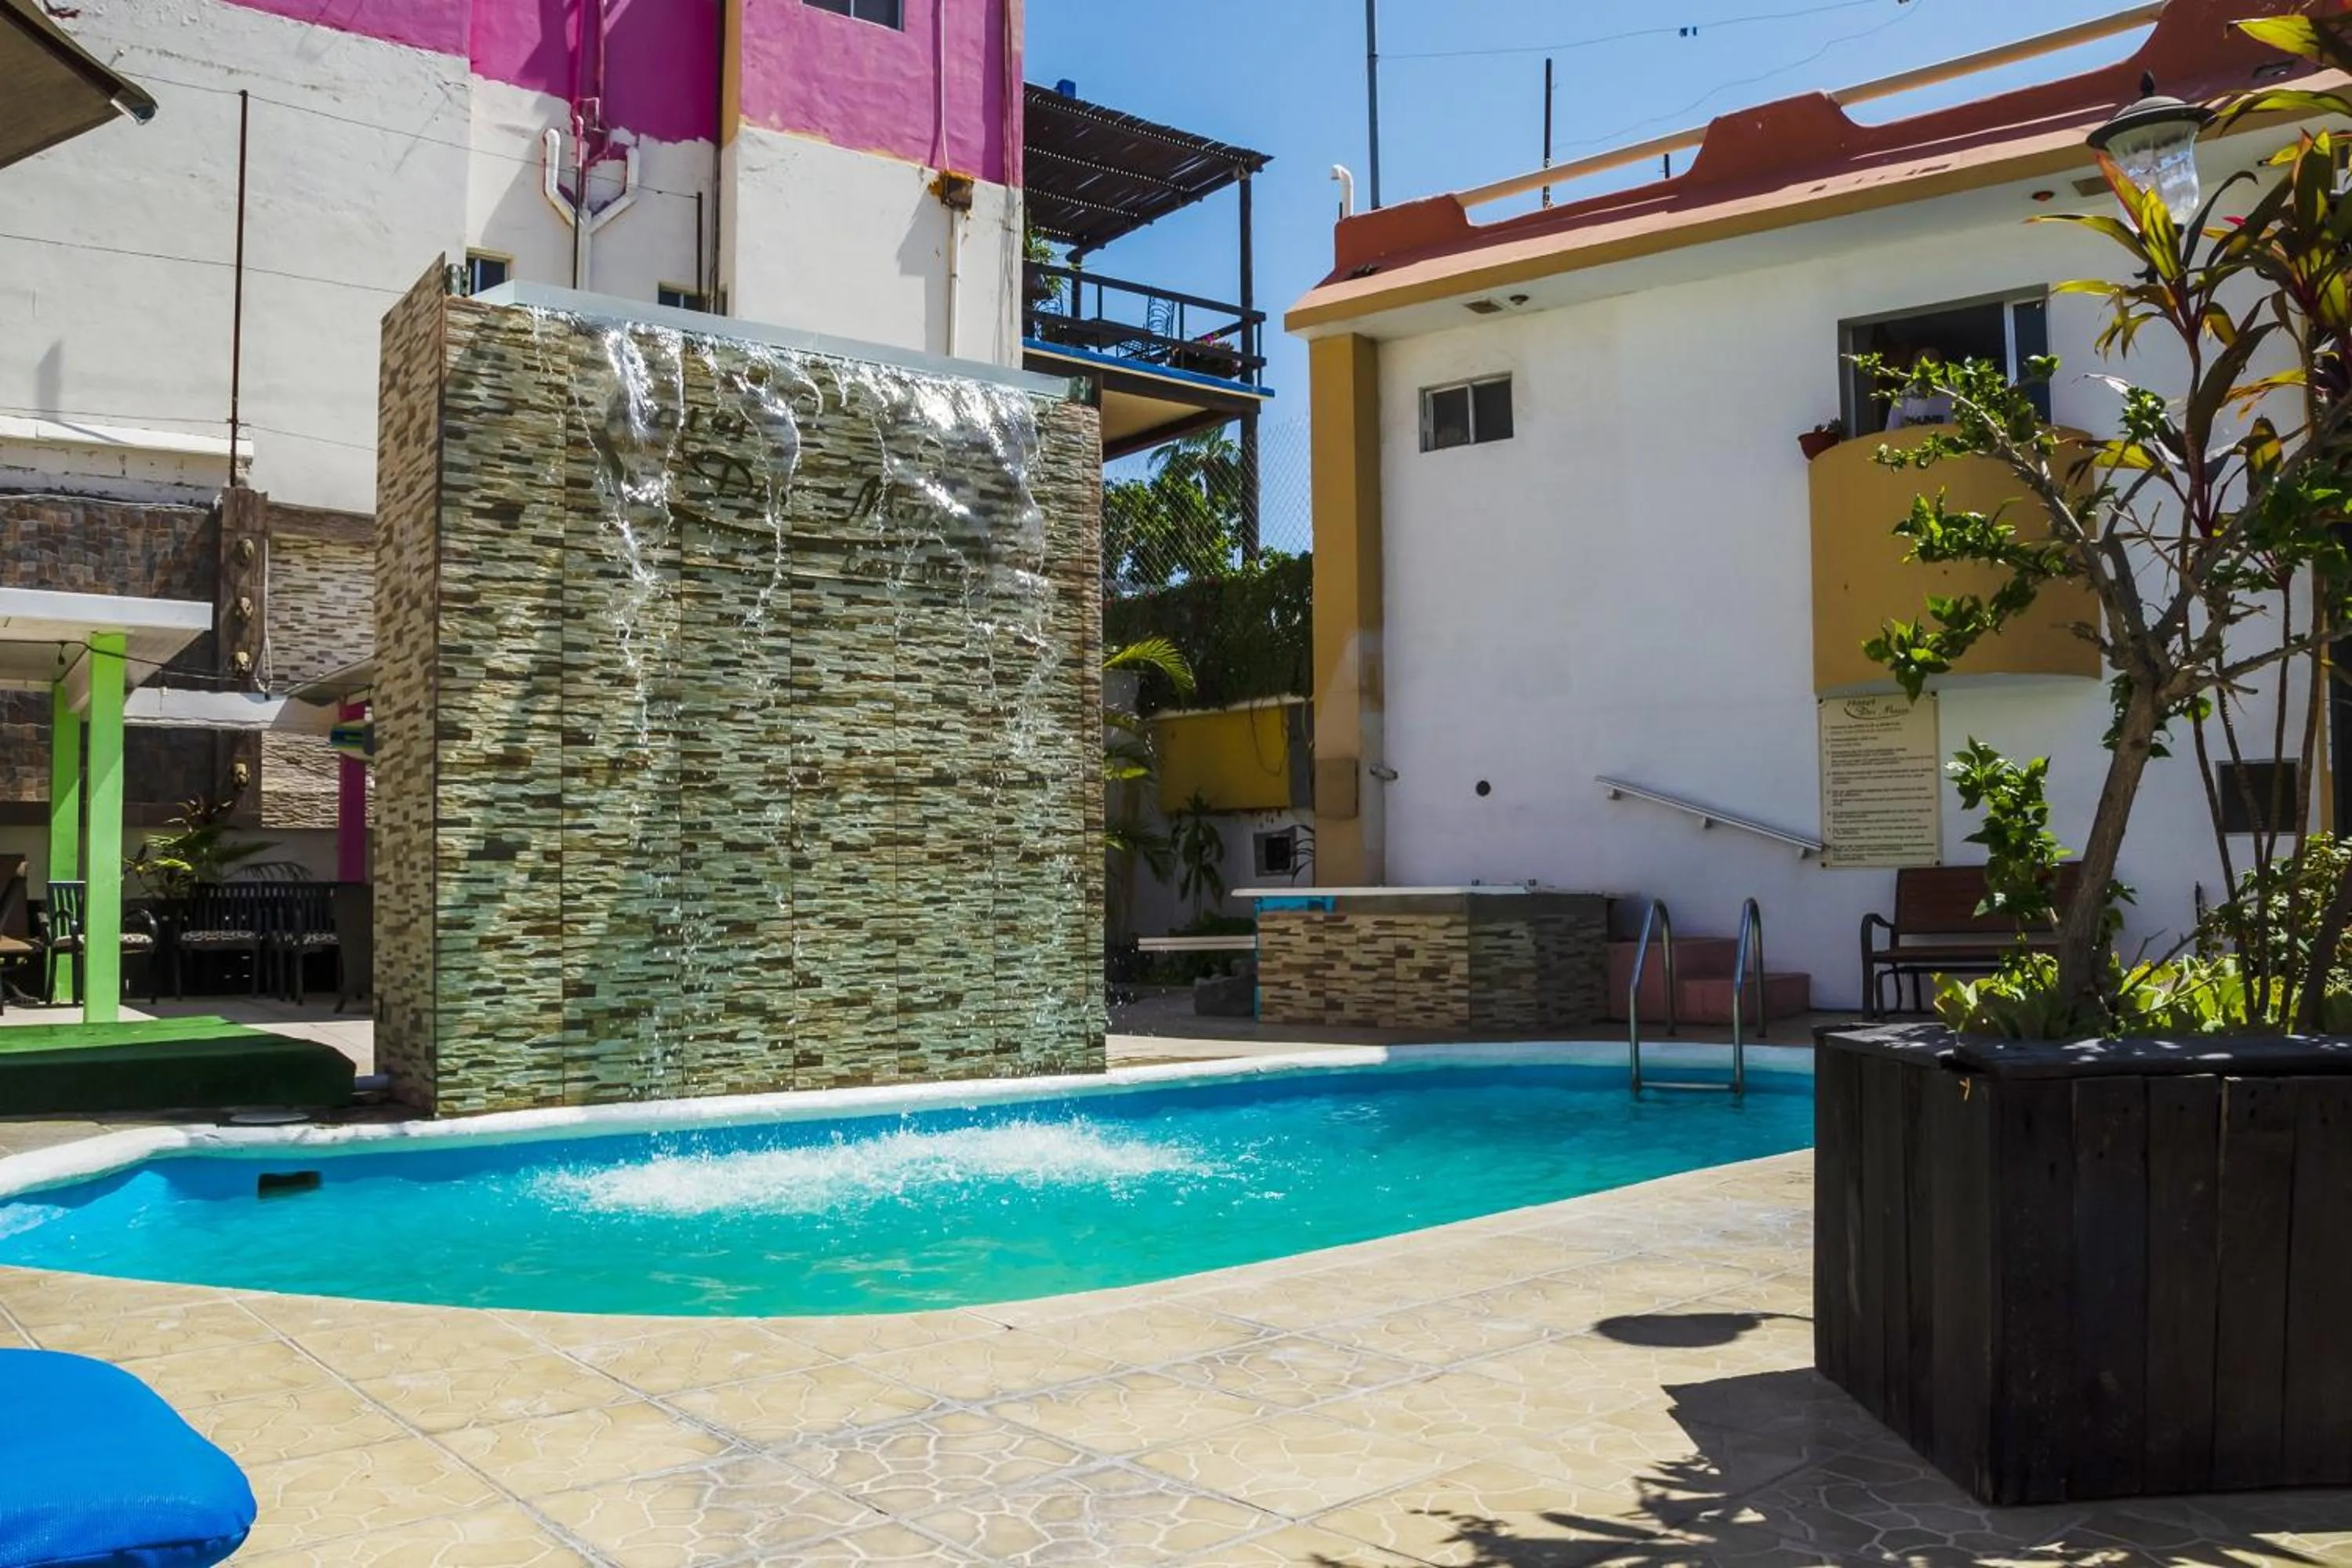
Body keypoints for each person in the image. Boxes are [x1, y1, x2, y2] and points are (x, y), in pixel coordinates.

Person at [1884, 346, 1954, 430]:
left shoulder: (1955, 395)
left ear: (1941, 369)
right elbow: (1891, 433)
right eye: (1920, 359)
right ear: (1912, 368)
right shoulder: (1903, 398)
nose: (1925, 362)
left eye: (1931, 359)